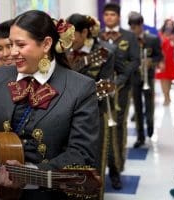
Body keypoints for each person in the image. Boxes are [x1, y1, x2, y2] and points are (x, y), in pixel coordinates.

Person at [0, 10, 100, 200]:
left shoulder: (81, 88)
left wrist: (29, 173)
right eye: (10, 44)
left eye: (20, 45)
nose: (12, 53)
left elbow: (82, 154)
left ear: (46, 44)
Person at [66, 13, 114, 199]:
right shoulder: (62, 52)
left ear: (85, 32)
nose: (68, 41)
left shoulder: (103, 53)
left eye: (72, 35)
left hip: (94, 115)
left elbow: (107, 86)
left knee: (94, 164)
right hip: (65, 118)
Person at [99, 2, 140, 190]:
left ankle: (116, 169)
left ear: (118, 17)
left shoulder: (129, 36)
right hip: (100, 91)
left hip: (121, 89)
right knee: (101, 128)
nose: (109, 18)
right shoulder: (97, 36)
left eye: (112, 15)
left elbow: (135, 61)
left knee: (118, 127)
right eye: (106, 14)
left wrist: (119, 81)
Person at [128, 11, 163, 147]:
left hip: (148, 77)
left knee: (149, 105)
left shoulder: (152, 39)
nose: (134, 31)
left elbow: (159, 56)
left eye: (136, 27)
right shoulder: (128, 40)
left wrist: (151, 62)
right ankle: (140, 136)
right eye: (131, 28)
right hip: (134, 77)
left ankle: (150, 126)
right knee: (137, 107)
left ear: (141, 25)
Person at [155, 19, 174, 106]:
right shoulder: (160, 35)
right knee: (163, 79)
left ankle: (168, 95)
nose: (169, 26)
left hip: (171, 60)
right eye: (167, 24)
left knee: (169, 79)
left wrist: (173, 40)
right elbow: (157, 47)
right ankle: (165, 97)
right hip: (162, 60)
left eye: (171, 24)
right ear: (164, 25)